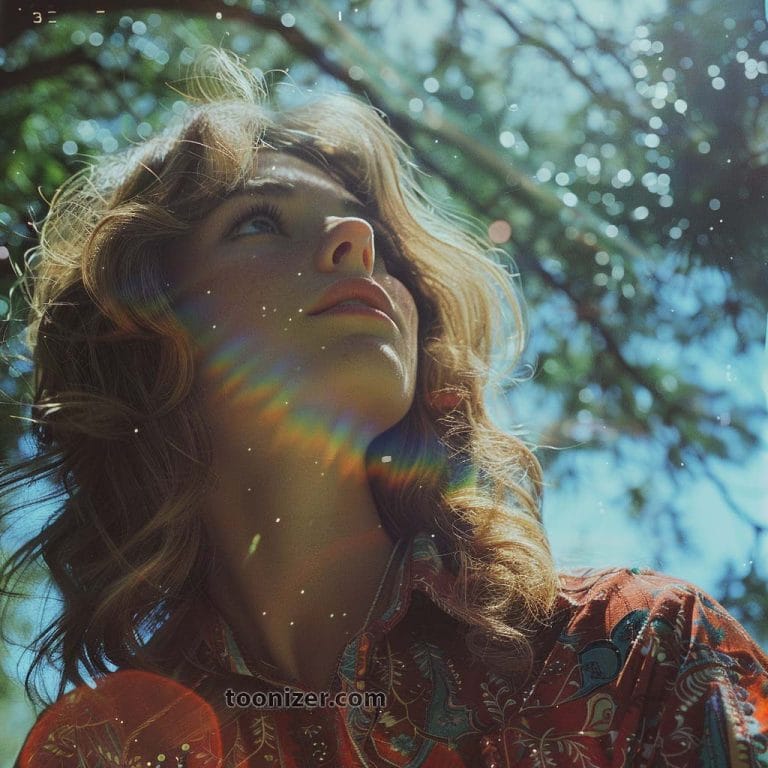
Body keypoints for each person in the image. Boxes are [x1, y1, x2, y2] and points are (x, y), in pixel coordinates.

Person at [2, 49, 766, 768]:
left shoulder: (641, 651)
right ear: (141, 333)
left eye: (382, 245)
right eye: (259, 221)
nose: (357, 242)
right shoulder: (101, 749)